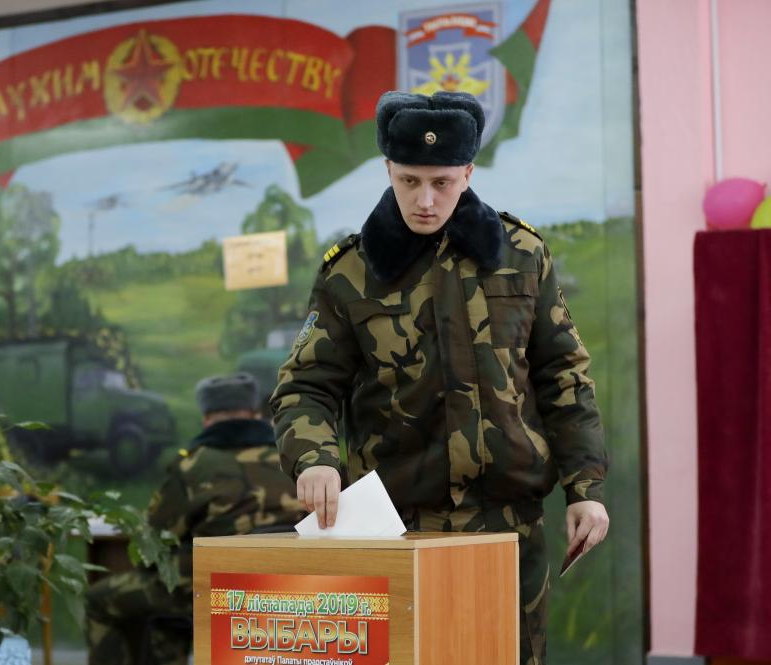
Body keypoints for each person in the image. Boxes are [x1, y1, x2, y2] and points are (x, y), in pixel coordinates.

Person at [271, 90, 609, 665]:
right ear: (387, 170)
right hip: (399, 527)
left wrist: (586, 488)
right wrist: (315, 459)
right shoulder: (350, 273)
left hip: (508, 529)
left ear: (468, 173)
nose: (425, 201)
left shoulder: (522, 256)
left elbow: (564, 376)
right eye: (408, 182)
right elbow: (305, 386)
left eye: (442, 183)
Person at [85, 372, 306, 665]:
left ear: (206, 419)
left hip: (214, 592)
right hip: (297, 593)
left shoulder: (192, 465)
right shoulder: (296, 461)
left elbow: (153, 543)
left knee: (100, 599)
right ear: (255, 414)